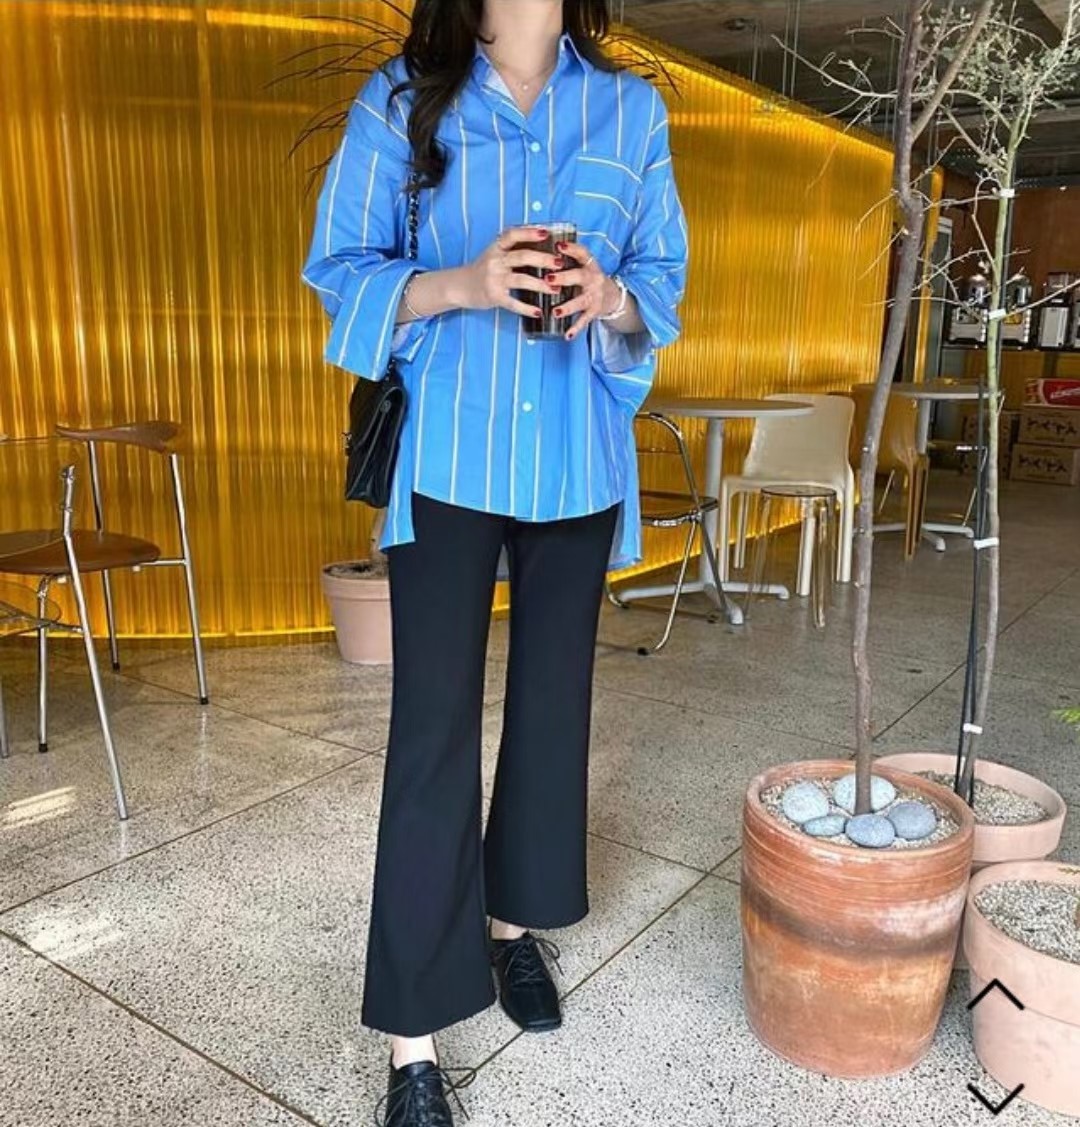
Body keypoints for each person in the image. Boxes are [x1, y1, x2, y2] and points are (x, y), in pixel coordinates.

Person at [302, 0, 687, 1122]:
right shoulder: (403, 101)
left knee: (553, 710)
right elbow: (339, 267)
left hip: (575, 462)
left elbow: (661, 279)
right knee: (431, 732)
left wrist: (611, 297)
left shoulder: (628, 111)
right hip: (449, 458)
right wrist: (467, 283)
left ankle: (512, 928)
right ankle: (413, 1039)